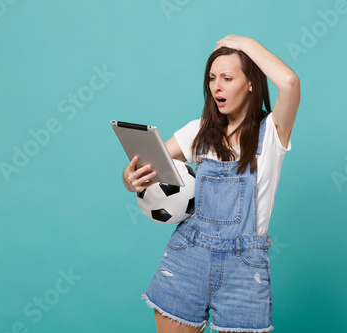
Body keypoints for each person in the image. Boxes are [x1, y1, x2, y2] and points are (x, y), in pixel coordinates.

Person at [123, 34, 300, 333]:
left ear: (251, 83)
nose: (217, 86)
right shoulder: (199, 132)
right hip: (188, 256)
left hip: (243, 267)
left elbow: (290, 83)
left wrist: (245, 45)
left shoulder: (271, 133)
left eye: (228, 78)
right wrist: (130, 181)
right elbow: (148, 168)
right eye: (212, 78)